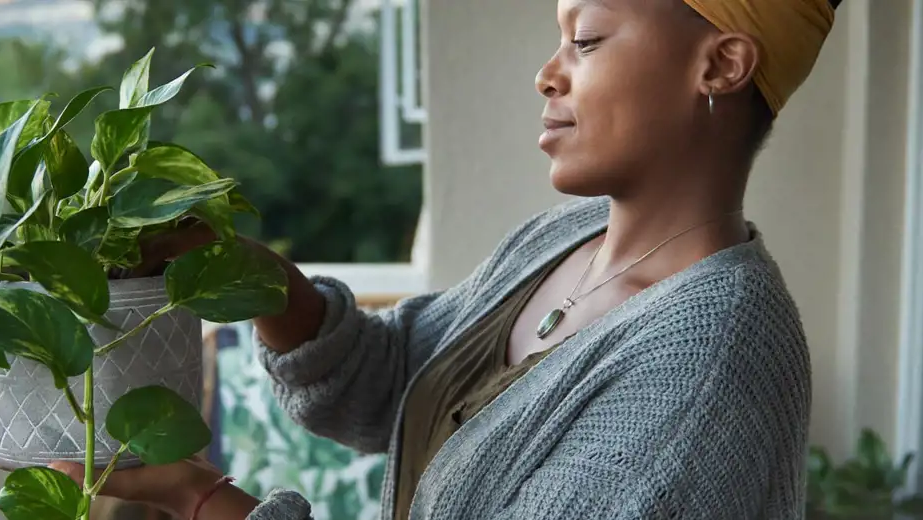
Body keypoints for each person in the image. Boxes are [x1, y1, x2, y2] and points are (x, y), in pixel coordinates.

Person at [46, 0, 839, 517]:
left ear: (721, 65)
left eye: (587, 40)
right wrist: (246, 271)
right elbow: (392, 381)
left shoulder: (712, 364)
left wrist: (200, 498)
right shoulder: (562, 239)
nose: (548, 72)